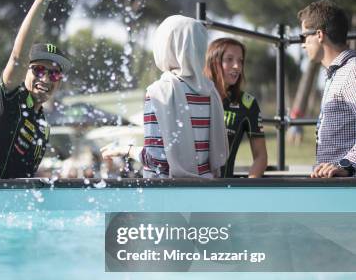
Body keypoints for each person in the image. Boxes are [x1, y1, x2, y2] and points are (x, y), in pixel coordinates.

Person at [0, 0, 78, 180]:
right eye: (39, 70)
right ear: (25, 72)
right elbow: (17, 58)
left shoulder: (43, 125)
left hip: (16, 212)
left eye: (54, 74)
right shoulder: (11, 101)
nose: (46, 79)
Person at [102, 15, 228, 178]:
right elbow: (217, 156)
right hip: (205, 188)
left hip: (168, 192)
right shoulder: (211, 92)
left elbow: (156, 159)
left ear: (165, 46)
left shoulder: (159, 92)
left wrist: (125, 150)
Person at [298, 0, 356, 178]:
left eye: (303, 37)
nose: (302, 44)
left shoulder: (352, 72)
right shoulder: (337, 74)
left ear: (319, 35)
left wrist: (346, 165)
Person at [204, 38, 268, 178]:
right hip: (191, 187)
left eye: (240, 61)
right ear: (214, 62)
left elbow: (260, 157)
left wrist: (248, 189)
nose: (237, 66)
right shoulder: (195, 95)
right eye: (230, 59)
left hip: (224, 191)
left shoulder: (248, 104)